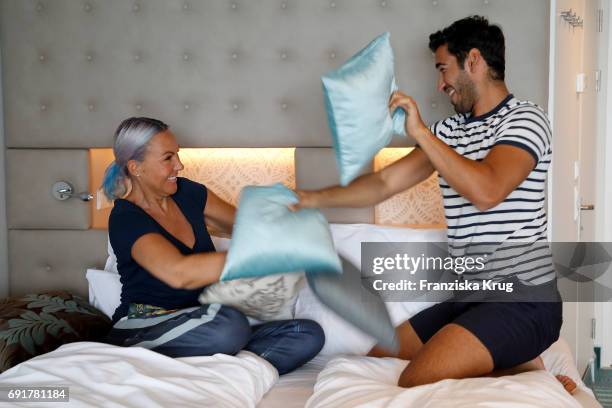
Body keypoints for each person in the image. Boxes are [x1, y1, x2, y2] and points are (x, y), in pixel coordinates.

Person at [296, 16, 576, 392]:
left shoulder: (526, 119)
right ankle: (515, 360)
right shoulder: (449, 132)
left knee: (418, 376)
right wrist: (313, 199)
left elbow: (488, 190)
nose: (440, 84)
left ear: (473, 61)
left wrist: (422, 134)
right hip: (470, 297)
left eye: (443, 69)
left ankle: (518, 366)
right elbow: (384, 182)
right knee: (377, 356)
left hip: (522, 300)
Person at [101, 117, 324, 375]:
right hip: (144, 325)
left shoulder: (189, 193)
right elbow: (179, 273)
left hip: (201, 323)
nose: (180, 165)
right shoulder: (126, 219)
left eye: (178, 155)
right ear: (136, 167)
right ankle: (213, 364)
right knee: (229, 325)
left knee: (305, 334)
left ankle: (206, 370)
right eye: (168, 158)